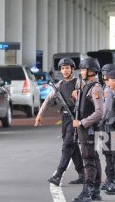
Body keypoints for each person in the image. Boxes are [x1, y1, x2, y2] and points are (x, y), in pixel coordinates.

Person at [34, 58, 85, 186]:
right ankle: (82, 174)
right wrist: (40, 114)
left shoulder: (79, 83)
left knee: (68, 145)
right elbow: (48, 100)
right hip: (65, 118)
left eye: (67, 67)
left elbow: (88, 99)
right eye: (62, 68)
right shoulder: (58, 85)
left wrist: (78, 94)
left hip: (76, 118)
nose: (65, 70)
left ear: (72, 69)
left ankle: (58, 175)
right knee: (72, 146)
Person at [72, 58, 104, 202]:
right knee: (93, 157)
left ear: (91, 71)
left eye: (83, 70)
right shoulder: (87, 86)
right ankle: (95, 190)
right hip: (86, 129)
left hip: (88, 129)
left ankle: (88, 191)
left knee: (88, 159)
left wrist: (82, 122)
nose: (81, 72)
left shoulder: (96, 88)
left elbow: (99, 112)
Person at [98, 64, 115, 192]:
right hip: (113, 125)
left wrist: (100, 120)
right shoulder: (113, 87)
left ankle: (111, 179)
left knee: (109, 154)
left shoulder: (108, 89)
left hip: (108, 125)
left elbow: (106, 108)